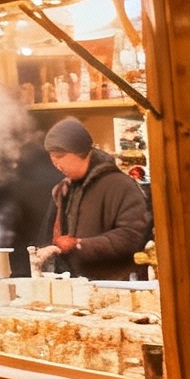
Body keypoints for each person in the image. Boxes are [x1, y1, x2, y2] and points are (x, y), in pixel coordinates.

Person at [43, 117, 152, 280]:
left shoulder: (120, 185)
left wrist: (80, 244)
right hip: (77, 285)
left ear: (80, 152)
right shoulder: (63, 190)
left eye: (59, 156)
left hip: (115, 285)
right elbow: (52, 237)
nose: (55, 163)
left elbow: (133, 236)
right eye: (52, 157)